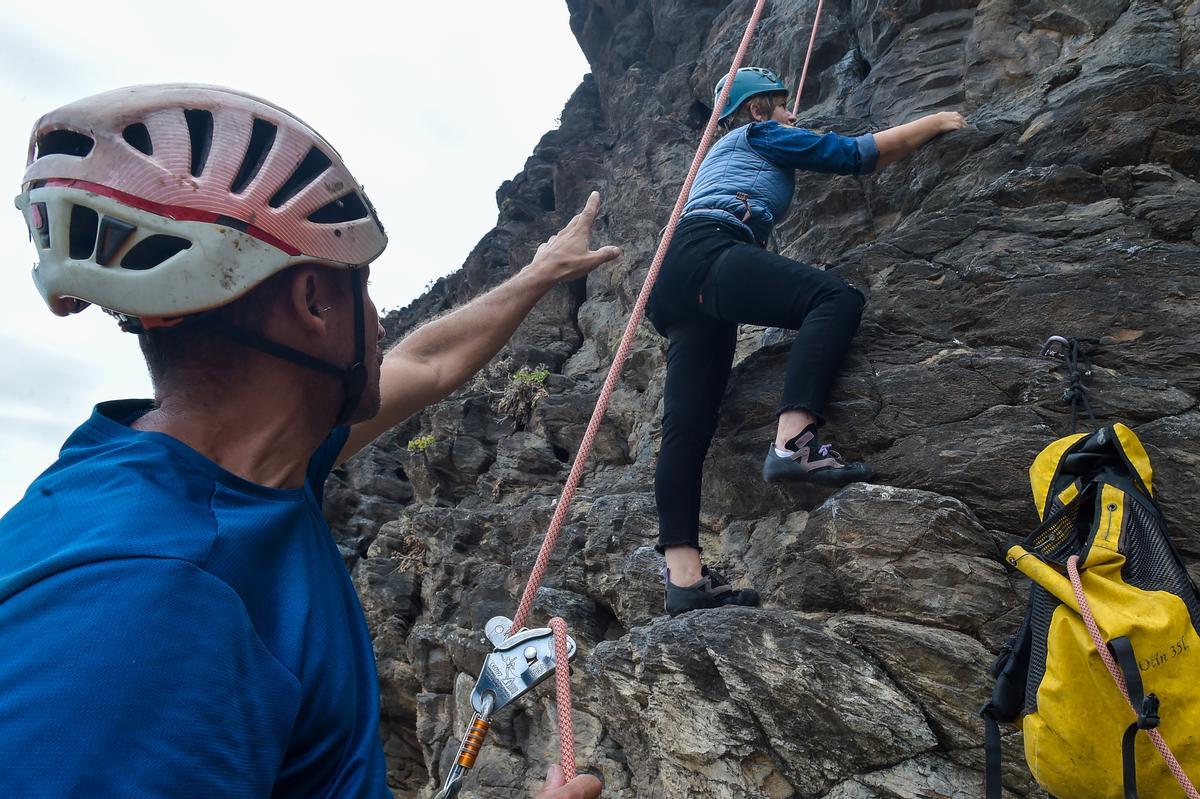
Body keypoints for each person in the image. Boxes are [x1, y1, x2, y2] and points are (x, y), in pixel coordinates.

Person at [0, 84, 614, 799]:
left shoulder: (239, 473)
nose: (381, 323)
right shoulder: (154, 602)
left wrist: (540, 272)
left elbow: (429, 362)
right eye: (364, 286)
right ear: (314, 302)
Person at [648, 67, 966, 616]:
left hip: (672, 281)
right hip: (709, 252)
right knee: (835, 298)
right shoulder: (758, 134)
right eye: (783, 105)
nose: (793, 115)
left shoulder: (719, 158)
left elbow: (852, 160)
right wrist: (937, 120)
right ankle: (793, 444)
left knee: (687, 429)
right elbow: (854, 154)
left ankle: (684, 582)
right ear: (756, 110)